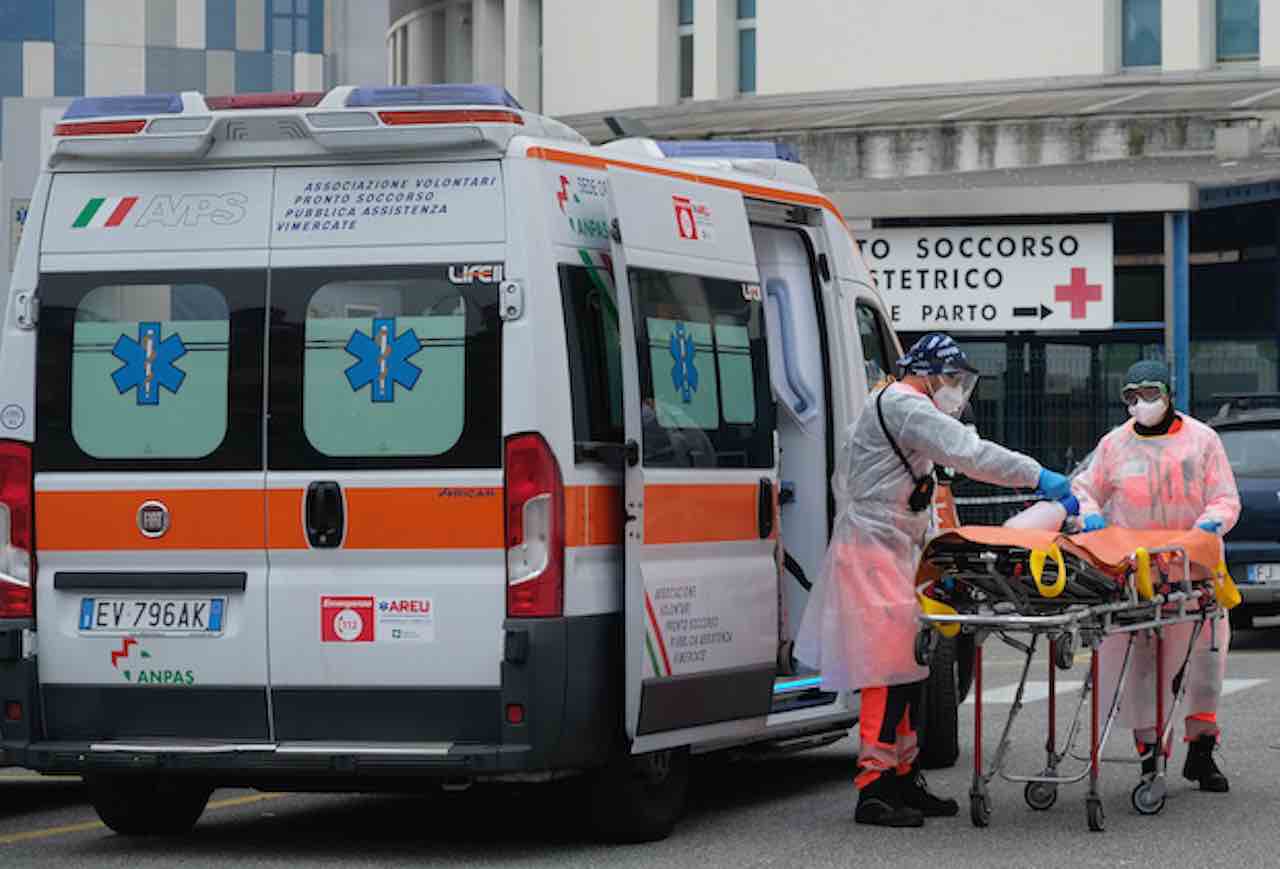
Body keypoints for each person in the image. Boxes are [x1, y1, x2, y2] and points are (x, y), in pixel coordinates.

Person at [795, 333, 1072, 827]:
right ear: (926, 372)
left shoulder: (895, 406)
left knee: (910, 664)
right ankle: (874, 787)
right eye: (951, 379)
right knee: (888, 669)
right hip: (872, 550)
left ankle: (903, 775)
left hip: (892, 547)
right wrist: (1038, 477)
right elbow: (971, 453)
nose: (956, 390)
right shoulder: (904, 404)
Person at [1072, 359, 1240, 793]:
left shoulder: (1202, 440)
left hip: (1194, 570)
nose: (1141, 404)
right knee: (1141, 669)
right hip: (1138, 573)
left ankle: (1201, 753)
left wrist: (1207, 526)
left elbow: (1224, 498)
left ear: (1168, 394)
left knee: (1205, 665)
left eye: (1149, 394)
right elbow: (1085, 489)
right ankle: (1150, 761)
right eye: (1132, 396)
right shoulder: (1114, 445)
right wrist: (1089, 515)